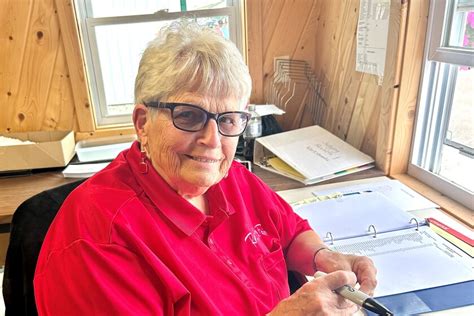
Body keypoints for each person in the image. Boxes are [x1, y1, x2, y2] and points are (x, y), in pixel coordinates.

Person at [34, 20, 377, 315]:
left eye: (229, 119)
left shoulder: (231, 179)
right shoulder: (96, 240)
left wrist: (324, 257)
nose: (213, 140)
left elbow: (290, 233)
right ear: (143, 123)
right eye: (188, 115)